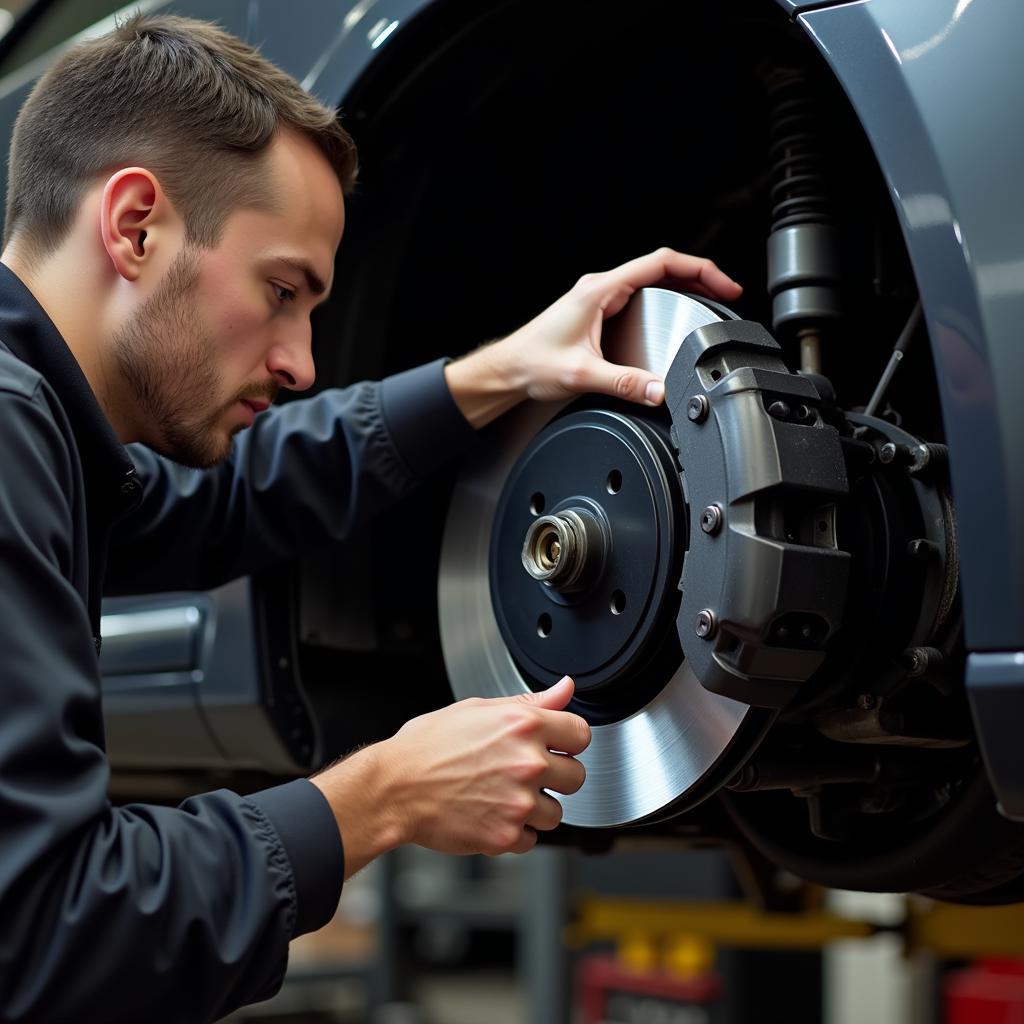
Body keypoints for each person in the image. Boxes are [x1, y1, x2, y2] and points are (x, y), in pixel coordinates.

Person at [0, 14, 742, 1023]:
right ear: (134, 226)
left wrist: (491, 374)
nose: (304, 360)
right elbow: (48, 935)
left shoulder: (38, 426)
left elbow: (213, 507)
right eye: (281, 291)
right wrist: (383, 793)